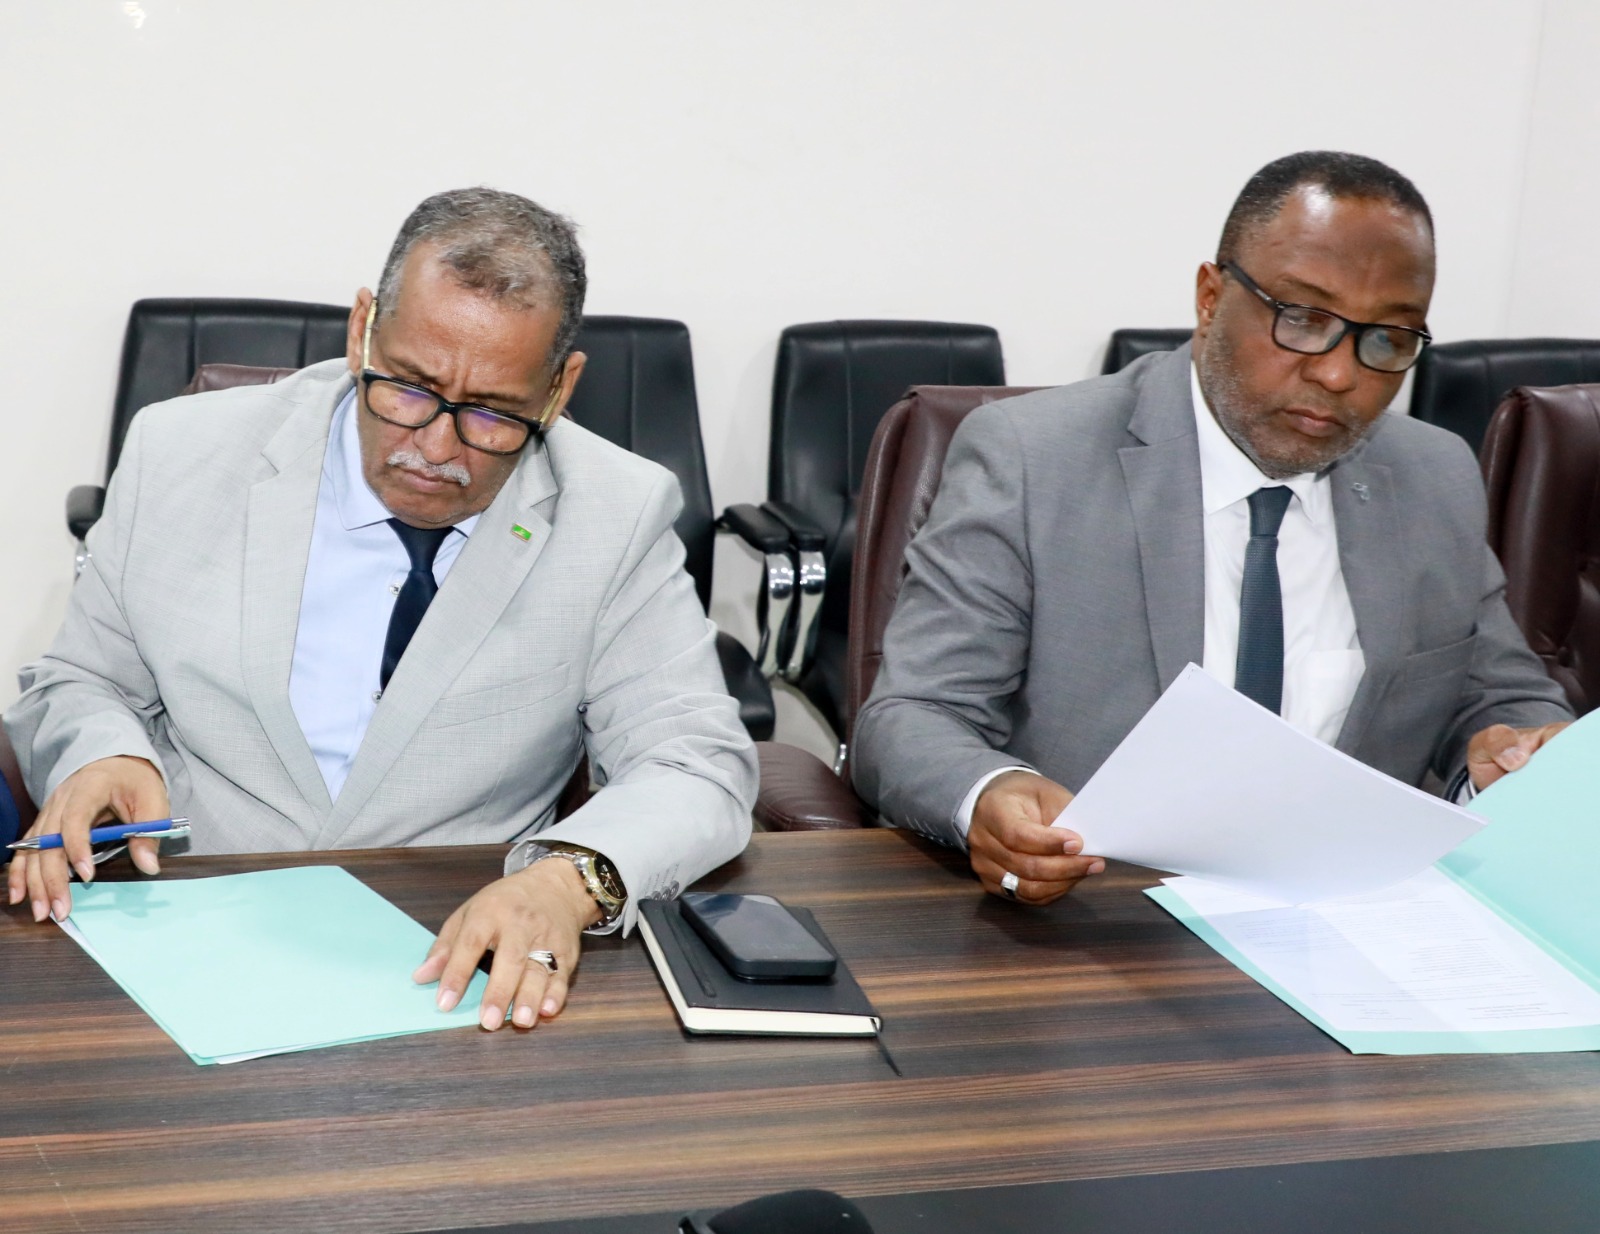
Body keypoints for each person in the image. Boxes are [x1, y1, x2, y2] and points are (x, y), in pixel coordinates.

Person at [5, 187, 756, 1029]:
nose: (435, 448)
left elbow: (696, 762)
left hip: (449, 958)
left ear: (558, 388)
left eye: (493, 413)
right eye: (409, 388)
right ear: (362, 328)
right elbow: (80, 680)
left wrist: (564, 882)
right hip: (180, 918)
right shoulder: (181, 451)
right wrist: (103, 757)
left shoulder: (616, 513)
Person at [851, 151, 1573, 906]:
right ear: (1210, 297)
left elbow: (1502, 700)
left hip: (1341, 921)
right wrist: (993, 791)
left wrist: (1518, 755)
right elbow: (914, 714)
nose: (1339, 374)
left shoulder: (1433, 477)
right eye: (1304, 319)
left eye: (1388, 338)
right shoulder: (1033, 458)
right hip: (1093, 916)